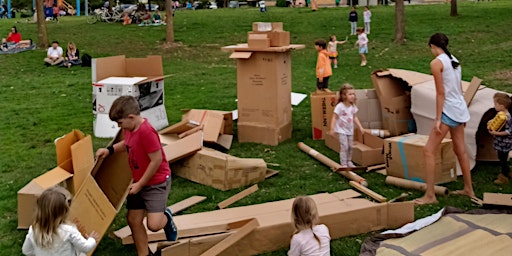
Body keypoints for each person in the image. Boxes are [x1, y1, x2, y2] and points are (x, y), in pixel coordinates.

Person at [95, 96, 177, 256]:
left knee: (153, 225)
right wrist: (109, 150)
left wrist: (140, 185)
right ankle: (143, 253)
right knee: (133, 220)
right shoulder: (129, 129)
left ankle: (166, 217)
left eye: (120, 123)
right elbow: (126, 144)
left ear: (131, 117)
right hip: (139, 181)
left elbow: (156, 160)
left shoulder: (147, 132)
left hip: (156, 183)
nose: (119, 126)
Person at [415, 33, 476, 205]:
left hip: (449, 111)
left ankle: (430, 195)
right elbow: (457, 88)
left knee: (428, 150)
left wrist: (437, 119)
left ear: (432, 46)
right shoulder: (454, 60)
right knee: (460, 150)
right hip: (459, 109)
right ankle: (468, 189)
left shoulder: (436, 63)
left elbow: (441, 93)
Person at [22, 186, 99, 255]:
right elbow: (86, 247)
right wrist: (92, 239)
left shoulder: (33, 230)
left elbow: (26, 251)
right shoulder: (69, 231)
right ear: (64, 212)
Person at [329, 84, 365, 168]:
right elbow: (334, 117)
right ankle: (343, 163)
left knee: (350, 146)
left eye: (353, 94)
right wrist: (332, 129)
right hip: (341, 130)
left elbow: (354, 117)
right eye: (350, 94)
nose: (352, 96)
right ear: (344, 96)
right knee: (344, 146)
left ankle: (349, 161)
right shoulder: (340, 106)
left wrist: (360, 127)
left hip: (350, 130)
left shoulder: (353, 106)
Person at [488, 93, 512, 185]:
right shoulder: (500, 115)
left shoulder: (508, 118)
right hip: (500, 142)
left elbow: (508, 132)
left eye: (495, 104)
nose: (494, 106)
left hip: (505, 143)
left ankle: (504, 176)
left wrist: (495, 133)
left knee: (503, 158)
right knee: (502, 158)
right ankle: (507, 171)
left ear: (501, 106)